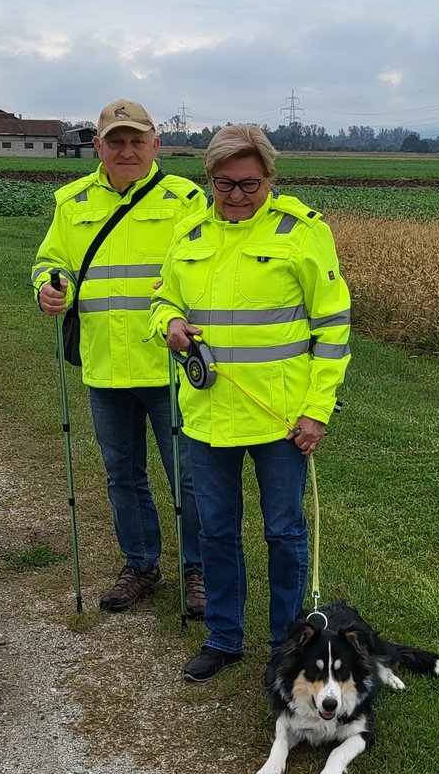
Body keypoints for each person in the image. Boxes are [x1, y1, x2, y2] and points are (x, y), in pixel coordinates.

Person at [149, 124, 351, 681]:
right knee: (215, 530)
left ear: (270, 179)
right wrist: (167, 321)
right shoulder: (188, 234)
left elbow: (332, 327)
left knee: (283, 533)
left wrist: (317, 410)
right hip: (209, 416)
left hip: (280, 419)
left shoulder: (302, 232)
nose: (237, 196)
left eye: (250, 184)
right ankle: (223, 636)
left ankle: (290, 643)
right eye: (224, 184)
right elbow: (163, 295)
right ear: (208, 180)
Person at [31, 99, 208, 618]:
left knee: (189, 475)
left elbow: (206, 269)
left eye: (137, 141)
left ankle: (197, 569)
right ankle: (141, 563)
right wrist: (46, 286)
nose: (126, 150)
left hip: (170, 367)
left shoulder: (186, 199)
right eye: (116, 141)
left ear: (155, 145)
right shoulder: (72, 201)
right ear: (98, 147)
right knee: (121, 473)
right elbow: (49, 260)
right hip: (105, 365)